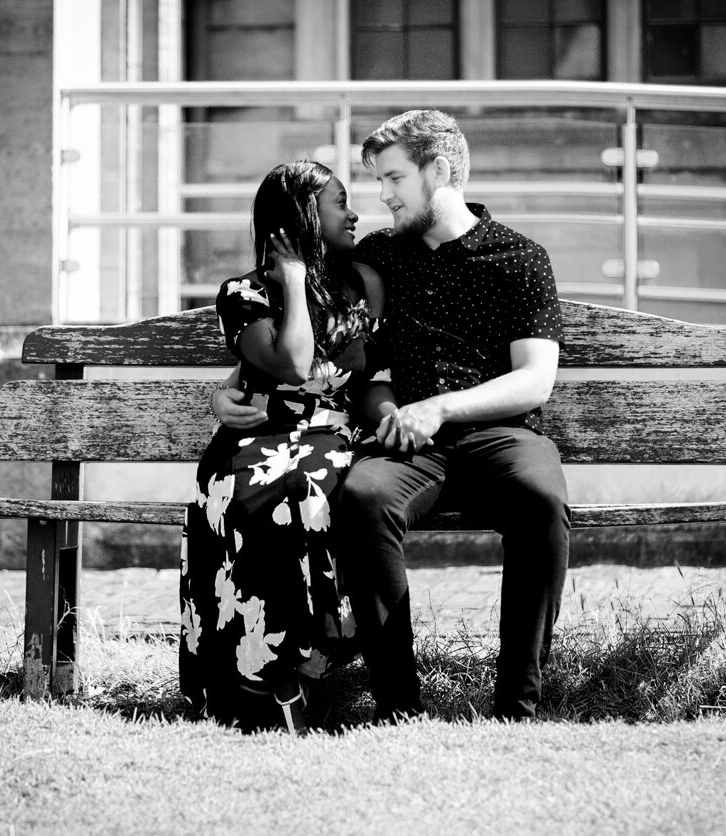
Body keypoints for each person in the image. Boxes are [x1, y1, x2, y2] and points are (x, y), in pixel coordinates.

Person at [215, 109, 570, 724]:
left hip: (501, 437)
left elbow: (535, 380)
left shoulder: (520, 259)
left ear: (440, 170)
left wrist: (440, 407)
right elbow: (326, 343)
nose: (382, 196)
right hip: (408, 446)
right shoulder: (380, 258)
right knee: (363, 496)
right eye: (377, 181)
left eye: (395, 179)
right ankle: (399, 706)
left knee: (541, 499)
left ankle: (518, 704)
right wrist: (234, 383)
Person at [179, 160, 385, 735]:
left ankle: (306, 663)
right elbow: (294, 362)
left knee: (304, 489)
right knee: (242, 494)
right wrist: (293, 279)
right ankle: (250, 682)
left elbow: (369, 376)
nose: (354, 213)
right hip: (254, 436)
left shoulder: (363, 282)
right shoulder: (243, 293)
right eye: (340, 203)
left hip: (330, 433)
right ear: (302, 216)